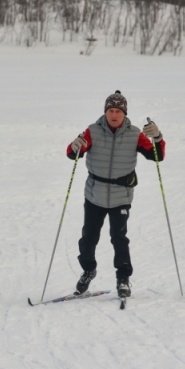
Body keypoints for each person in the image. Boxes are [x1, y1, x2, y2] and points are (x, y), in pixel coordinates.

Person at [67, 90, 165, 298]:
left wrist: (157, 137)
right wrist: (74, 146)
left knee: (119, 238)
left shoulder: (135, 134)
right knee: (88, 239)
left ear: (124, 113)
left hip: (121, 196)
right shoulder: (92, 131)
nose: (114, 115)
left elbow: (157, 156)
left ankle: (123, 279)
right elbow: (73, 152)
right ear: (105, 112)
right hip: (95, 195)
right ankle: (88, 269)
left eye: (118, 111)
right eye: (110, 110)